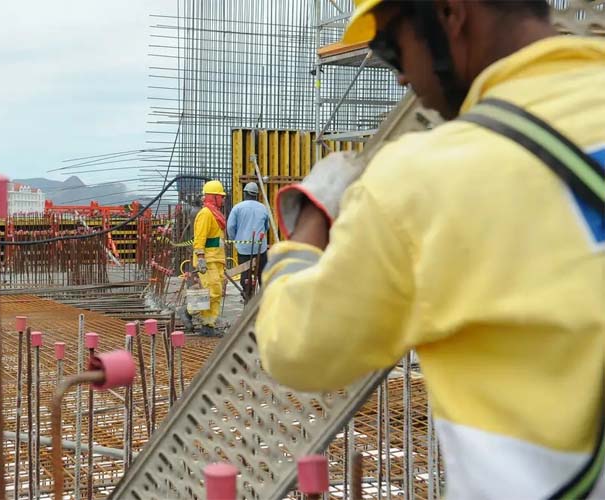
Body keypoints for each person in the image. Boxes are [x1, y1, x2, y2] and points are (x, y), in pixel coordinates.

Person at [256, 1, 605, 498]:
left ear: (449, 14)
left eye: (392, 48)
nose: (401, 79)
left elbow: (294, 347)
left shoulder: (420, 181)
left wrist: (310, 220)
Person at [183, 180, 228, 337]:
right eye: (220, 196)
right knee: (212, 291)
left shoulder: (216, 214)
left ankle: (208, 325)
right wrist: (200, 257)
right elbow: (199, 239)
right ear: (213, 197)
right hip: (207, 260)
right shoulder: (205, 214)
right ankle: (188, 311)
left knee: (217, 292)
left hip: (217, 259)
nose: (223, 200)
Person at [227, 182, 269, 298]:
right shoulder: (263, 208)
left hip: (243, 249)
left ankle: (247, 293)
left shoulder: (237, 208)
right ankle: (264, 297)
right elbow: (267, 227)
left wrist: (235, 240)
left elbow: (230, 227)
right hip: (260, 248)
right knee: (263, 274)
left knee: (245, 274)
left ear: (245, 193)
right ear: (256, 195)